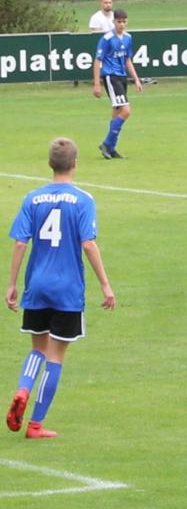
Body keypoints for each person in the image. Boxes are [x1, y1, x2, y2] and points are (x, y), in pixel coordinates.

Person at [6, 138, 116, 439]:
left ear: (50, 164)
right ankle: (35, 425)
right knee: (55, 357)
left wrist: (12, 284)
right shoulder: (83, 200)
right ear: (75, 164)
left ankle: (23, 389)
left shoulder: (32, 198)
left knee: (37, 350)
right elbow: (88, 244)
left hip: (37, 286)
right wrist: (105, 284)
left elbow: (20, 243)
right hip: (67, 290)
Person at [93, 9, 142, 160]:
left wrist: (136, 79)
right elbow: (97, 61)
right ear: (113, 21)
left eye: (124, 21)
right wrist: (97, 84)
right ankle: (107, 143)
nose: (121, 24)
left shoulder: (128, 38)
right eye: (119, 21)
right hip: (111, 76)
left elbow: (128, 60)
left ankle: (111, 149)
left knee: (116, 113)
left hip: (122, 77)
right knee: (126, 111)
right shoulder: (107, 38)